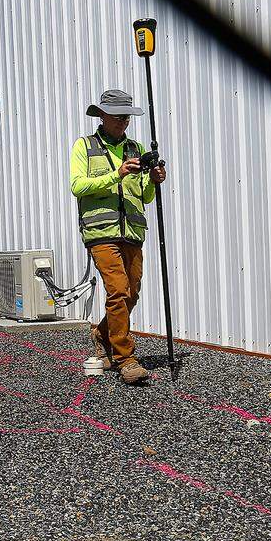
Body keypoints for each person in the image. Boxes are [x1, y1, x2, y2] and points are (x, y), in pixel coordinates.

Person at [69, 89, 166, 384]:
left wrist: (153, 180)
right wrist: (117, 174)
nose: (124, 121)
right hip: (101, 232)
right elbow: (77, 186)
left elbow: (144, 196)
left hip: (133, 232)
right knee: (118, 290)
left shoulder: (135, 149)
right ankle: (126, 359)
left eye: (127, 116)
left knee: (131, 292)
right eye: (118, 116)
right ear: (102, 115)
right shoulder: (84, 147)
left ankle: (102, 333)